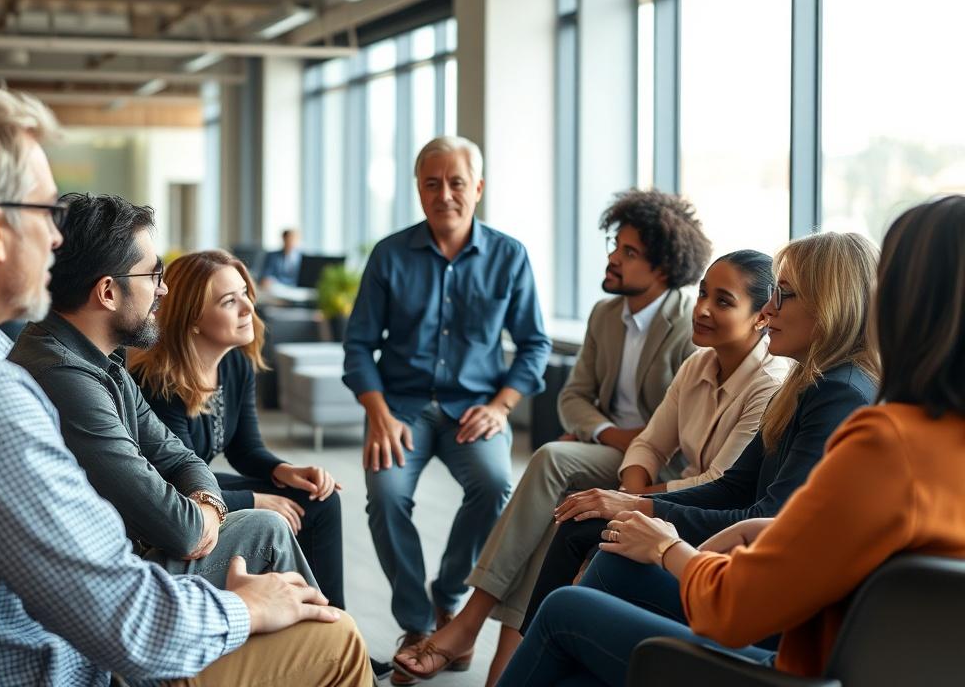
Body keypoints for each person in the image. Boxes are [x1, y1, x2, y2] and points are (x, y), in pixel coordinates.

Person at [0, 79, 371, 686]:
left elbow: (177, 460)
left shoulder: (65, 364)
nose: (57, 238)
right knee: (340, 642)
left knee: (276, 542)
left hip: (97, 623)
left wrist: (209, 508)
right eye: (45, 212)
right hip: (86, 665)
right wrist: (247, 607)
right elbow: (129, 620)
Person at [499, 195, 965, 685]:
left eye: (782, 295)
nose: (768, 309)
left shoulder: (865, 421)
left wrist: (669, 550)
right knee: (601, 586)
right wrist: (652, 511)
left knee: (565, 612)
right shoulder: (849, 400)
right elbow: (777, 513)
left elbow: (736, 607)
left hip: (783, 661)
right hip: (823, 646)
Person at [395, 249, 789, 683]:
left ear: (761, 316)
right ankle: (495, 644)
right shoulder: (696, 361)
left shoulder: (769, 385)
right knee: (563, 491)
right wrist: (626, 493)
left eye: (723, 301)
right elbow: (648, 442)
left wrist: (628, 502)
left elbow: (719, 485)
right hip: (655, 485)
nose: (703, 309)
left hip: (707, 518)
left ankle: (510, 656)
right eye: (702, 294)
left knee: (574, 519)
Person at [515, 231, 880, 638]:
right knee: (582, 523)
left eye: (784, 295)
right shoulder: (807, 382)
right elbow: (734, 486)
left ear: (830, 303)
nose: (771, 309)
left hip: (767, 597)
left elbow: (766, 519)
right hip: (742, 553)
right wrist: (632, 502)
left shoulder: (837, 392)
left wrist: (651, 522)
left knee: (604, 562)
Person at [9, 193, 316, 591]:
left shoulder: (104, 363)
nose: (163, 291)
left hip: (127, 553)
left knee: (283, 518)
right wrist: (206, 513)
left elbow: (182, 459)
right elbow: (181, 530)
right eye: (153, 276)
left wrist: (207, 504)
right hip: (104, 584)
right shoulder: (64, 377)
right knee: (266, 529)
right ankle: (327, 649)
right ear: (107, 292)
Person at [342, 135, 552, 676]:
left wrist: (503, 406)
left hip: (476, 407)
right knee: (385, 494)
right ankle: (417, 620)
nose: (445, 194)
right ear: (418, 189)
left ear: (477, 188)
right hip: (402, 408)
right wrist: (378, 414)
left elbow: (534, 344)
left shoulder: (509, 255)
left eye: (456, 182)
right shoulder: (390, 255)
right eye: (432, 183)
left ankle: (449, 596)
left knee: (494, 485)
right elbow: (359, 345)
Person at [131, 249, 345, 608]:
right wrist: (257, 501)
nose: (248, 308)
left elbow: (245, 450)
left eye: (246, 293)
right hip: (173, 507)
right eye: (230, 301)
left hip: (202, 487)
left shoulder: (236, 366)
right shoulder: (156, 381)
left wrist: (286, 471)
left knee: (318, 497)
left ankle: (336, 622)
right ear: (193, 317)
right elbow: (171, 489)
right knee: (280, 506)